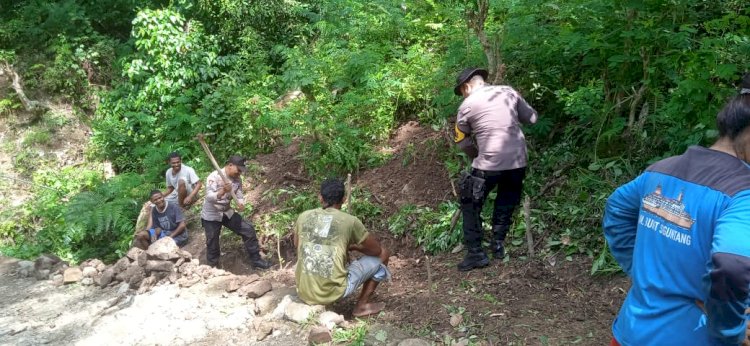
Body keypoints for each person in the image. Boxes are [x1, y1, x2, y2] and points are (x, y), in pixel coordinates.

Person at [603, 74, 750, 346]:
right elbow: (732, 266)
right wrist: (730, 332)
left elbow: (616, 209)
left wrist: (640, 271)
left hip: (630, 332)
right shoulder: (743, 193)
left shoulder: (662, 169)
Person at [452, 67, 538, 271]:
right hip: (518, 161)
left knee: (469, 202)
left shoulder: (467, 105)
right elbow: (533, 118)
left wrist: (477, 156)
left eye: (462, 91)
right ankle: (498, 245)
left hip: (489, 164)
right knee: (506, 200)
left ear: (466, 87)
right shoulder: (509, 92)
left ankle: (476, 254)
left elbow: (462, 142)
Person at [294, 178, 391, 317]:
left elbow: (298, 245)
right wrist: (355, 247)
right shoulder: (350, 221)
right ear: (344, 199)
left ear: (320, 197)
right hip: (331, 293)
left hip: (303, 291)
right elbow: (376, 251)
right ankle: (361, 306)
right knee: (384, 254)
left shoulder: (303, 216)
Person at [200, 155, 271, 269]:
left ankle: (256, 260)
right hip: (212, 214)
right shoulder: (214, 177)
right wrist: (223, 190)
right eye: (238, 170)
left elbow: (239, 194)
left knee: (248, 229)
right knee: (212, 241)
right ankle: (213, 267)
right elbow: (209, 197)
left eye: (241, 171)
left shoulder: (237, 180)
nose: (240, 173)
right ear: (230, 165)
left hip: (227, 211)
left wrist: (241, 203)